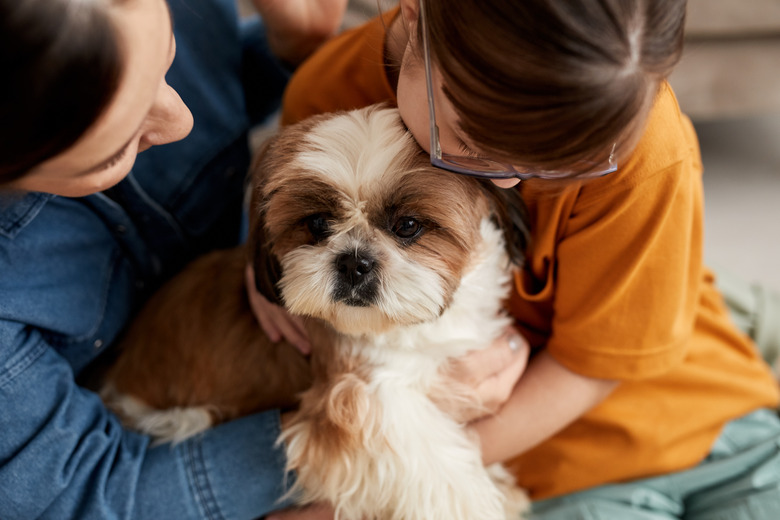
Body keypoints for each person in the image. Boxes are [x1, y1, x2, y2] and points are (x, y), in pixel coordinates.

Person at [265, 0, 780, 518]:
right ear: (415, 12)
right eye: (469, 141)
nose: (509, 181)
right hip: (548, 478)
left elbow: (595, 367)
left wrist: (393, 487)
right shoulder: (325, 96)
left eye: (559, 162)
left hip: (705, 420)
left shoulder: (637, 150)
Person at [0, 0, 352, 518]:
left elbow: (224, 83)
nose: (180, 121)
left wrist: (294, 51)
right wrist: (346, 436)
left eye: (167, 59)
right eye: (118, 148)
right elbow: (86, 494)